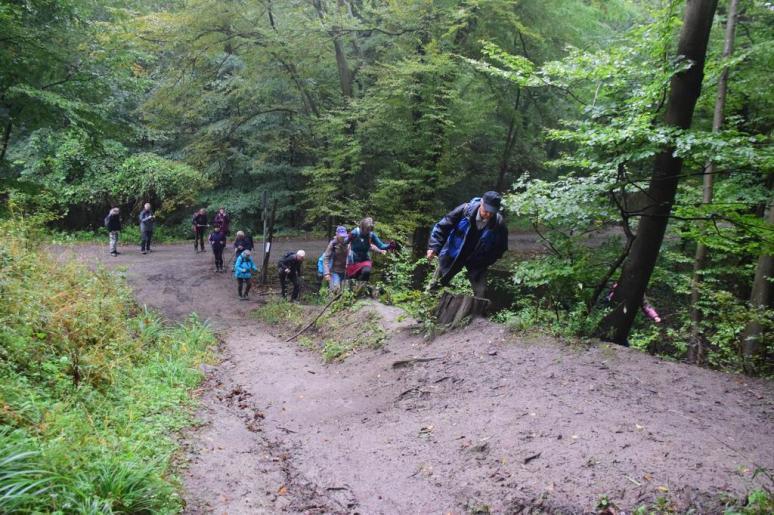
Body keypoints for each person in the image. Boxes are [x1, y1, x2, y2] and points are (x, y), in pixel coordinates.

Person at [427, 191, 508, 298]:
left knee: (481, 293)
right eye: (486, 210)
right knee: (436, 284)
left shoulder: (499, 223)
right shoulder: (464, 210)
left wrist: (487, 260)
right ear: (481, 203)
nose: (488, 215)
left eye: (492, 212)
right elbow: (442, 227)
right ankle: (427, 305)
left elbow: (500, 247)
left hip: (478, 261)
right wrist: (434, 247)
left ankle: (476, 314)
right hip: (453, 254)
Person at [346, 217, 391, 283]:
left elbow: (381, 246)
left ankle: (361, 287)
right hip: (353, 260)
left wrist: (390, 246)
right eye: (367, 229)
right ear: (362, 227)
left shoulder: (371, 235)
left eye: (370, 229)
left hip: (365, 260)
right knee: (351, 279)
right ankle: (354, 288)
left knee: (366, 272)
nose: (368, 231)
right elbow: (345, 242)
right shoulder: (355, 233)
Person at [321, 226, 350, 293]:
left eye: (344, 236)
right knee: (335, 289)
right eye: (341, 236)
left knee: (346, 292)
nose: (342, 238)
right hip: (335, 271)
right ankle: (331, 302)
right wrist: (326, 273)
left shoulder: (349, 242)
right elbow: (326, 258)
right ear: (337, 234)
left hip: (346, 271)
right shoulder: (333, 244)